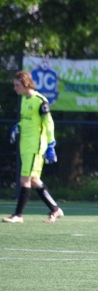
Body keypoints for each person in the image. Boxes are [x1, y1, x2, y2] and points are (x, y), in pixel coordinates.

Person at [2, 71, 64, 224]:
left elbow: (48, 124)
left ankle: (18, 215)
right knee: (35, 180)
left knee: (25, 179)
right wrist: (18, 126)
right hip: (25, 144)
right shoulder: (24, 99)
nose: (15, 88)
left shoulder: (40, 101)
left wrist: (51, 144)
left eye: (17, 85)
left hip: (35, 147)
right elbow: (27, 121)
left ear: (25, 84)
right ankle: (55, 209)